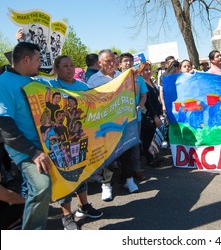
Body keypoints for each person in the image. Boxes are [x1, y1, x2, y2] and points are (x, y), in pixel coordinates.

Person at [0, 42, 52, 229]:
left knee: (40, 190)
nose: (40, 64)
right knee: (42, 186)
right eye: (38, 60)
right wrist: (34, 153)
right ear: (26, 59)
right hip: (25, 149)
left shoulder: (33, 81)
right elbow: (4, 126)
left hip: (44, 146)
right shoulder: (3, 83)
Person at [49, 55, 103, 230]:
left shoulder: (82, 86)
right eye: (65, 66)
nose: (70, 68)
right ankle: (66, 215)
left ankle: (85, 206)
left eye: (72, 65)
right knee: (65, 176)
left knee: (81, 172)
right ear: (56, 69)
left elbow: (94, 106)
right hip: (61, 139)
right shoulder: (49, 87)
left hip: (79, 138)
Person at [87, 49, 138, 201]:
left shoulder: (121, 76)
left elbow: (133, 93)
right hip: (105, 124)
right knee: (108, 155)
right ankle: (107, 184)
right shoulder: (93, 80)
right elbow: (91, 103)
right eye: (107, 61)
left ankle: (128, 179)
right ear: (99, 63)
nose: (111, 64)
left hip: (123, 121)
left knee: (126, 152)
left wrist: (134, 77)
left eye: (113, 61)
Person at [119, 53, 148, 181]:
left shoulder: (139, 79)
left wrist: (140, 106)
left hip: (136, 118)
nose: (128, 63)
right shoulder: (116, 79)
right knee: (120, 147)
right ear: (119, 64)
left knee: (135, 145)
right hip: (119, 119)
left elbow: (143, 96)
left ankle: (136, 170)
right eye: (125, 61)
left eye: (130, 61)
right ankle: (123, 173)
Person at [139, 62, 163, 167]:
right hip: (148, 115)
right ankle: (150, 160)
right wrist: (155, 116)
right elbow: (148, 103)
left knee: (154, 137)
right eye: (145, 70)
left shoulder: (151, 82)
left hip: (156, 113)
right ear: (141, 71)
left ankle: (154, 157)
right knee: (148, 139)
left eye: (149, 69)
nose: (148, 72)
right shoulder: (142, 83)